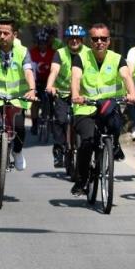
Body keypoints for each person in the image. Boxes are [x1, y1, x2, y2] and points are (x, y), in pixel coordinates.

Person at [71, 23, 135, 195]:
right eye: (95, 39)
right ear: (90, 41)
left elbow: (126, 75)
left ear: (109, 41)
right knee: (87, 141)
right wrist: (76, 95)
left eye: (103, 39)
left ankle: (113, 145)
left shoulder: (117, 58)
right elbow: (76, 78)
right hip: (86, 108)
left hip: (109, 106)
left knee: (114, 123)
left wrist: (132, 93)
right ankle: (81, 180)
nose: (99, 42)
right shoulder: (81, 58)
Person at [0, 17, 36, 177]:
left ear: (14, 35)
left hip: (17, 98)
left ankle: (17, 152)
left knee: (19, 127)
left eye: (6, 33)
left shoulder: (22, 51)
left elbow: (28, 71)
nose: (2, 36)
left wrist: (32, 89)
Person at [45, 24, 87, 168]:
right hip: (62, 92)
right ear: (67, 40)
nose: (74, 41)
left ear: (82, 40)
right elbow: (54, 71)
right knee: (60, 120)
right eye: (71, 38)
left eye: (77, 38)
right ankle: (59, 149)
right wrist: (50, 86)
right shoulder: (60, 53)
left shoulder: (89, 53)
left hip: (82, 95)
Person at [29, 30, 54, 136]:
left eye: (44, 43)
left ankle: (51, 121)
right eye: (40, 43)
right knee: (35, 102)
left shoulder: (53, 53)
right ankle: (34, 124)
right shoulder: (32, 52)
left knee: (52, 100)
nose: (42, 45)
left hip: (49, 81)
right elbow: (30, 69)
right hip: (37, 80)